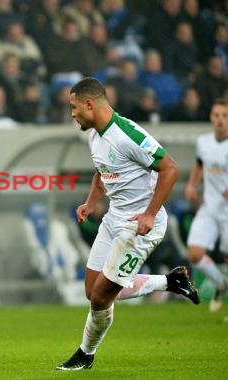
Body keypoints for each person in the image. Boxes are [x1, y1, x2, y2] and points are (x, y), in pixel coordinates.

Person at [56, 77, 200, 371]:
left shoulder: (127, 134)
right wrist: (91, 202)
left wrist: (149, 214)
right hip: (113, 219)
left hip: (139, 226)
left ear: (89, 104)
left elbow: (170, 168)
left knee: (99, 299)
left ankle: (85, 354)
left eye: (73, 107)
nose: (71, 114)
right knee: (92, 290)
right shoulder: (94, 135)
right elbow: (102, 171)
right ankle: (170, 281)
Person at [185, 98, 228, 313]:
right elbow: (200, 164)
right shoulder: (203, 142)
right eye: (217, 115)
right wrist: (192, 185)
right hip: (210, 207)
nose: (220, 120)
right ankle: (221, 284)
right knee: (194, 253)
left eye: (225, 116)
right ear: (211, 118)